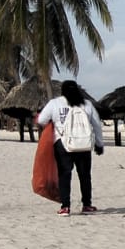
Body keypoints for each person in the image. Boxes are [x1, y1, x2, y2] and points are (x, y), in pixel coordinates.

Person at [35, 80, 104, 215]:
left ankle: (65, 206)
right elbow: (96, 125)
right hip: (83, 144)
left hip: (62, 144)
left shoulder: (54, 103)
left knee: (64, 175)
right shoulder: (86, 104)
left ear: (62, 91)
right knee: (85, 176)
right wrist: (99, 144)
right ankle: (87, 205)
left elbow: (42, 120)